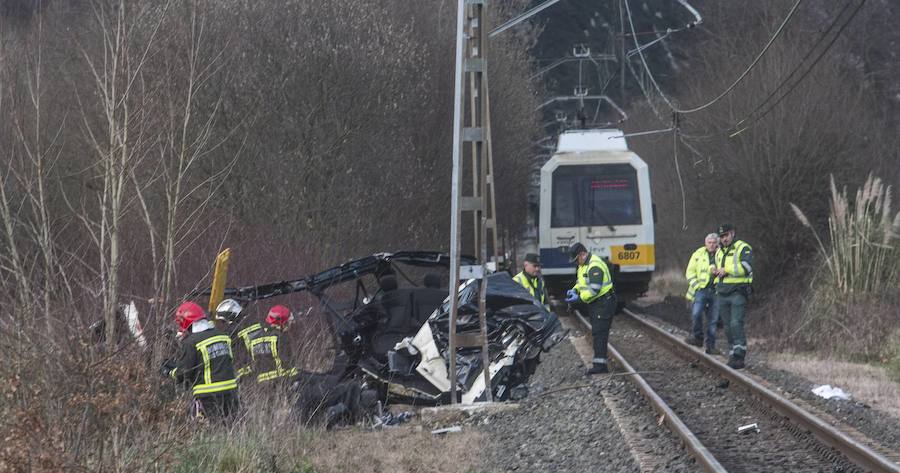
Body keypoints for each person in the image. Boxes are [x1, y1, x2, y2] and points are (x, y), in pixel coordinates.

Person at [162, 301, 239, 420]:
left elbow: (183, 374)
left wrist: (168, 372)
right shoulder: (223, 336)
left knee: (212, 432)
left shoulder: (191, 342)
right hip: (231, 392)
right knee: (231, 428)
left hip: (208, 395)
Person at [564, 242, 616, 375]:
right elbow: (581, 282)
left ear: (582, 254)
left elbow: (594, 290)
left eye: (576, 259)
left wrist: (579, 299)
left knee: (599, 334)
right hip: (597, 304)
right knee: (597, 333)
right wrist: (574, 290)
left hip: (603, 303)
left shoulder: (594, 266)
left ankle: (600, 366)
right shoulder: (584, 265)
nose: (576, 263)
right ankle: (599, 363)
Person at [713, 223, 753, 369]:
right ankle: (732, 354)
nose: (724, 239)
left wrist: (726, 270)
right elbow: (717, 268)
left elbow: (746, 267)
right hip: (722, 292)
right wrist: (714, 271)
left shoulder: (743, 248)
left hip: (738, 291)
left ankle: (739, 356)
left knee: (736, 323)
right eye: (721, 236)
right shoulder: (719, 252)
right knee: (728, 327)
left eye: (726, 235)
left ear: (733, 233)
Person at [684, 233, 721, 354]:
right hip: (701, 290)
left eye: (714, 243)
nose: (712, 245)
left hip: (716, 291)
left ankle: (711, 346)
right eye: (709, 242)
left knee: (713, 320)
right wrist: (697, 286)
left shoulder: (722, 254)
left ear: (717, 243)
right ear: (705, 243)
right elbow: (690, 272)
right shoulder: (698, 254)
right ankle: (697, 337)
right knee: (696, 314)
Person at [249, 304, 299, 384]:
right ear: (282, 322)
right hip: (281, 380)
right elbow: (287, 361)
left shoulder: (254, 339)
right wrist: (295, 379)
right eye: (288, 322)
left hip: (262, 384)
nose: (290, 325)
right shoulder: (280, 337)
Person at [215, 298, 261, 381]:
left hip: (247, 368)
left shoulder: (234, 330)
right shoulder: (254, 321)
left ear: (230, 316)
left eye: (224, 321)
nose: (224, 323)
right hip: (262, 364)